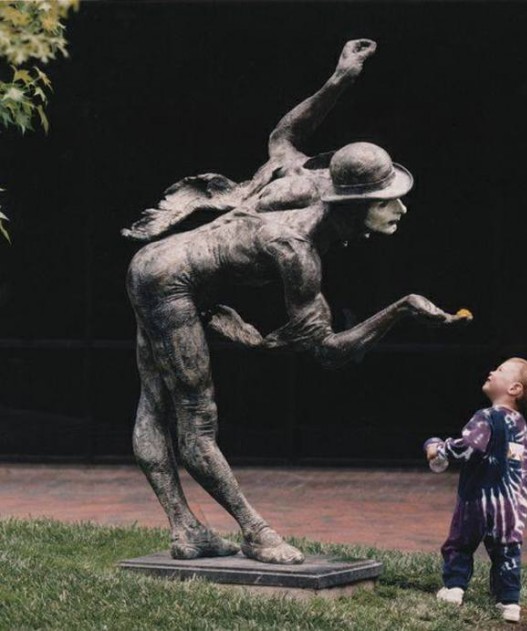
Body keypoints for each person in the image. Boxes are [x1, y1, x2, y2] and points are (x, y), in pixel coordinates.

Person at [124, 39, 471, 566]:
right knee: (196, 420)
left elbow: (283, 135)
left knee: (155, 401)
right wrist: (400, 310)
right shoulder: (297, 251)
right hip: (168, 282)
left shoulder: (308, 180)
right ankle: (256, 533)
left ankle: (185, 530)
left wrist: (340, 79)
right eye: (386, 201)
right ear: (353, 206)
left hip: (159, 265)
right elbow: (327, 350)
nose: (399, 207)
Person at [424, 358, 527, 623]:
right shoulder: (522, 428)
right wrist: (518, 503)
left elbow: (470, 446)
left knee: (460, 543)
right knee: (507, 551)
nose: (492, 371)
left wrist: (439, 448)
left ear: (514, 389)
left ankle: (454, 588)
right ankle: (509, 602)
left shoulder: (486, 417)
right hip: (508, 506)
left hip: (476, 499)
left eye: (501, 370)